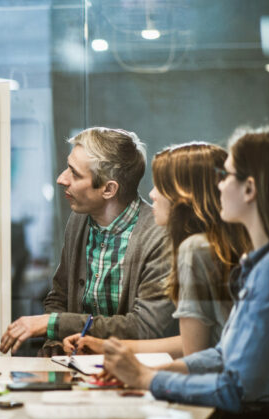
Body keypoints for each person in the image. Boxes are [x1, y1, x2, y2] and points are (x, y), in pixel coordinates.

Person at [101, 127, 269, 419]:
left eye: (227, 175)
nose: (219, 184)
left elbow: (235, 388)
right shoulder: (263, 262)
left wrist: (147, 379)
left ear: (250, 189)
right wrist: (148, 371)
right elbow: (224, 354)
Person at [0, 127, 176, 356]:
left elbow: (145, 326)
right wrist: (56, 344)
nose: (61, 179)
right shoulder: (79, 220)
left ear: (108, 189)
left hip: (131, 370)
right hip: (79, 368)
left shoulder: (159, 236)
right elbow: (59, 297)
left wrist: (55, 324)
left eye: (74, 173)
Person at [63, 143, 251, 357]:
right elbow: (197, 343)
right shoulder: (220, 246)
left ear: (185, 195)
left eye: (161, 186)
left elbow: (194, 357)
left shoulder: (194, 249)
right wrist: (105, 346)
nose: (152, 194)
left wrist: (140, 374)